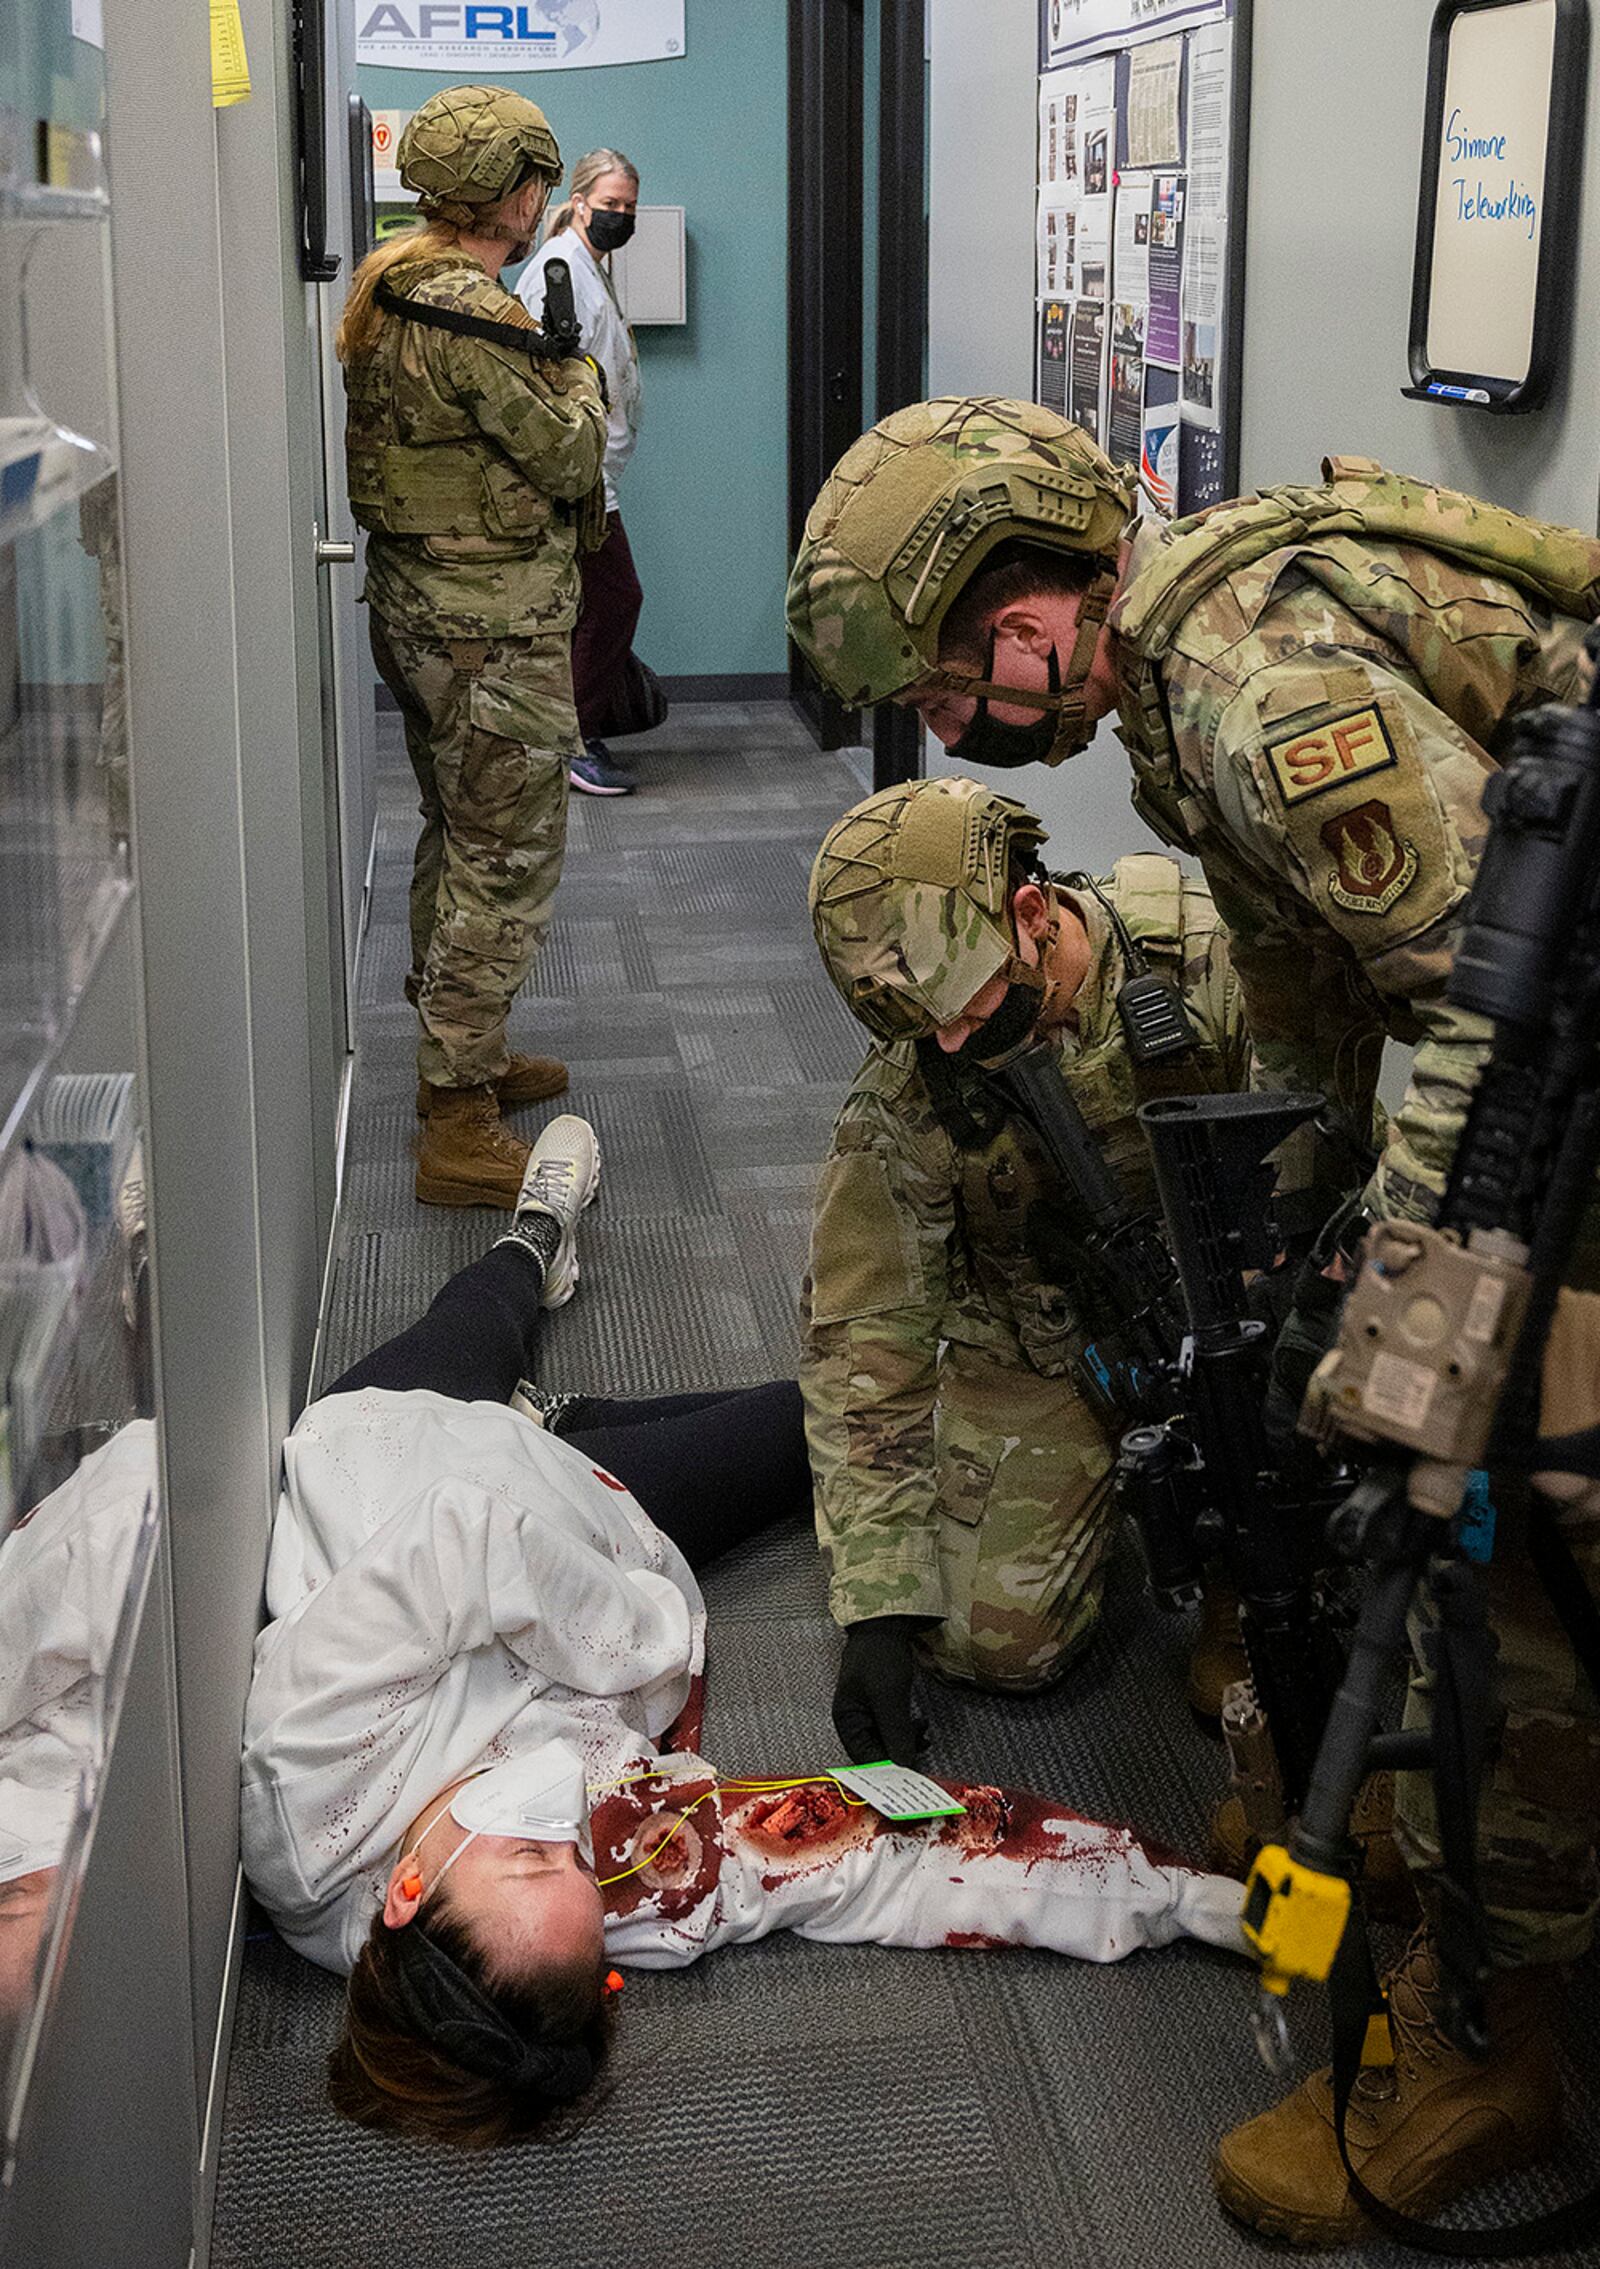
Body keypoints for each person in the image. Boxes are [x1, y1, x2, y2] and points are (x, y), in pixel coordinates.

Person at [787, 396, 1600, 2244]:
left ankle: (1488, 2036)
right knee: (1373, 1427)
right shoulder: (1173, 690)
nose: (949, 724)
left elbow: (1520, 1017)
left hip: (1568, 1108)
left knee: (1489, 1541)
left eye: (940, 684)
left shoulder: (1244, 695)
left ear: (1021, 603)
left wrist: (1408, 1327)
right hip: (1544, 1102)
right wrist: (1306, 1259)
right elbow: (1328, 990)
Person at [241, 1112, 1245, 2150]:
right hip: (595, 1514)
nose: (577, 1844)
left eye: (535, 1863)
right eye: (582, 1881)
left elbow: (460, 1538)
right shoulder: (624, 1877)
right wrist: (1185, 1896)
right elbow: (874, 1862)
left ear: (403, 1892)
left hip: (398, 1443)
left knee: (485, 1307)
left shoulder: (308, 1784)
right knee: (834, 1426)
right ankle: (559, 1414)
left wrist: (653, 1636)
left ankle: (533, 1234)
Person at [803, 773, 1254, 1768]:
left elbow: (1327, 1159)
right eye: (928, 1028)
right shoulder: (906, 1097)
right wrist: (876, 1610)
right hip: (1037, 1337)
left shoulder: (1209, 956)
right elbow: (865, 1345)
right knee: (997, 1645)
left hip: (1240, 1304)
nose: (956, 1045)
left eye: (972, 1008)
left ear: (1033, 911)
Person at [336, 85, 609, 1210]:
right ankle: (455, 1115)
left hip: (426, 616)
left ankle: (466, 1056)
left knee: (458, 834)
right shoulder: (473, 313)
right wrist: (575, 363)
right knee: (505, 858)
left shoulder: (388, 283)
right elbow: (572, 456)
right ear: (520, 192)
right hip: (489, 632)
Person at [519, 150, 652, 799]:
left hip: (595, 475)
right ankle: (572, 742)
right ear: (578, 202)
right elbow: (539, 381)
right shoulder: (558, 273)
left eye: (629, 206)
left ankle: (573, 733)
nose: (620, 215)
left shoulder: (588, 269)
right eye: (610, 204)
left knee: (589, 608)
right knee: (615, 598)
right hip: (577, 479)